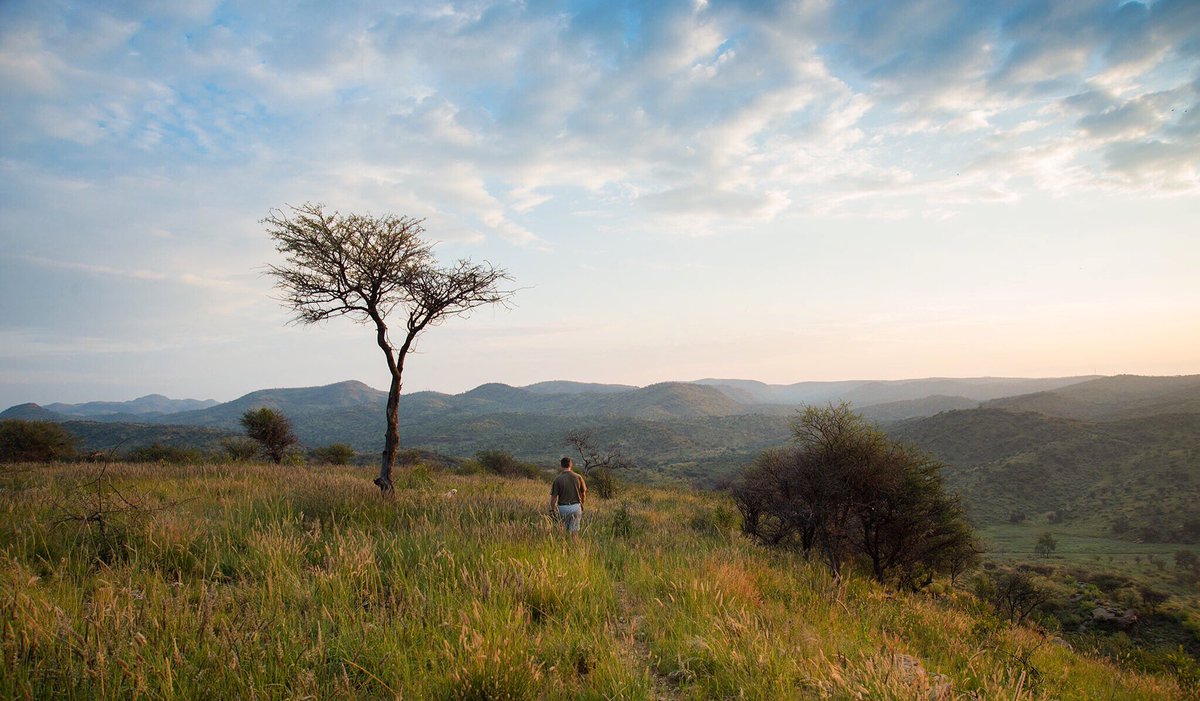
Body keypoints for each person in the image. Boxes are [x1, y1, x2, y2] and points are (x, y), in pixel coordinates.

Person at [549, 456, 586, 537]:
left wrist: (552, 509)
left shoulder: (557, 479)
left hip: (563, 508)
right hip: (576, 507)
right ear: (571, 465)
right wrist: (582, 504)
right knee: (574, 533)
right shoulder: (578, 477)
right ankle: (575, 548)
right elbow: (583, 494)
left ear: (561, 465)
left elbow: (554, 497)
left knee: (563, 533)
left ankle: (563, 548)